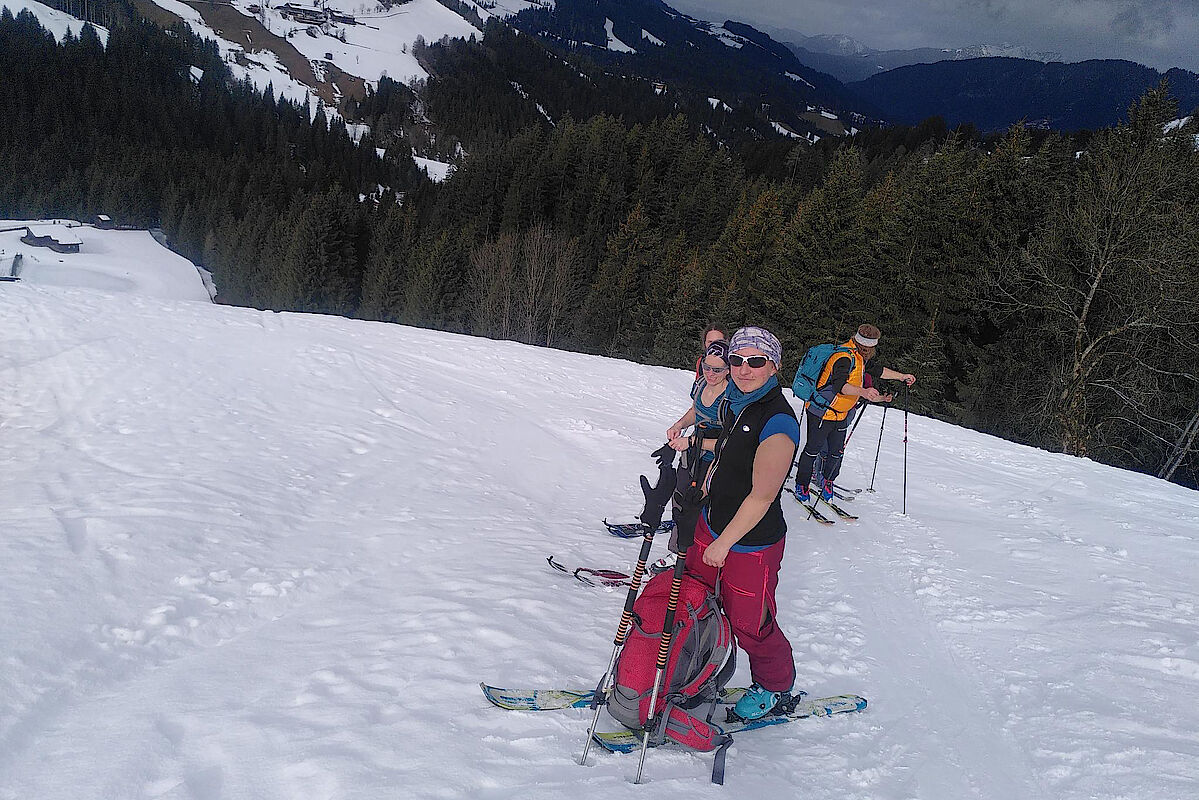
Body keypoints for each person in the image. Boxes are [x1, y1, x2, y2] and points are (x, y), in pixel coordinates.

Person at [681, 326, 801, 721]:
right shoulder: (735, 401)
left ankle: (775, 688)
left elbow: (763, 496)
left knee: (752, 624)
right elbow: (730, 447)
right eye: (737, 360)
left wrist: (724, 544)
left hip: (751, 544)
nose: (744, 369)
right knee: (696, 602)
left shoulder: (778, 421)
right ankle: (698, 667)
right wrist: (697, 447)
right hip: (712, 523)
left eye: (756, 361)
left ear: (774, 366)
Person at [795, 324, 916, 503]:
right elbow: (840, 385)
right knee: (813, 450)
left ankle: (828, 481)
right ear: (866, 345)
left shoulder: (860, 357)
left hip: (841, 413)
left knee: (836, 452)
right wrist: (863, 392)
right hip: (821, 411)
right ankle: (801, 484)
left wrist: (901, 376)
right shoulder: (843, 357)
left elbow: (878, 370)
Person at [651, 339, 731, 574]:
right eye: (707, 367)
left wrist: (693, 442)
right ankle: (677, 552)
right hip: (692, 456)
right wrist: (680, 424)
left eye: (718, 369)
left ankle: (697, 558)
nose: (711, 373)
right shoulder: (700, 385)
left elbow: (730, 445)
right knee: (681, 501)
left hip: (715, 463)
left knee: (703, 510)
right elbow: (696, 410)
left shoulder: (731, 398)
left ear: (728, 370)